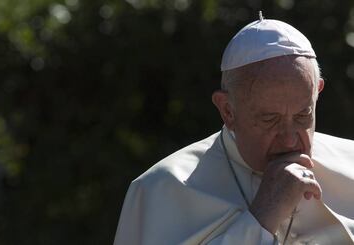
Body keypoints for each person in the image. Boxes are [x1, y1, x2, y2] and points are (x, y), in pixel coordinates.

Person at [114, 15, 354, 245]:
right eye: (270, 119)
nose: (290, 140)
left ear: (317, 92)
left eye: (303, 115)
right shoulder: (162, 189)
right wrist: (263, 215)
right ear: (228, 111)